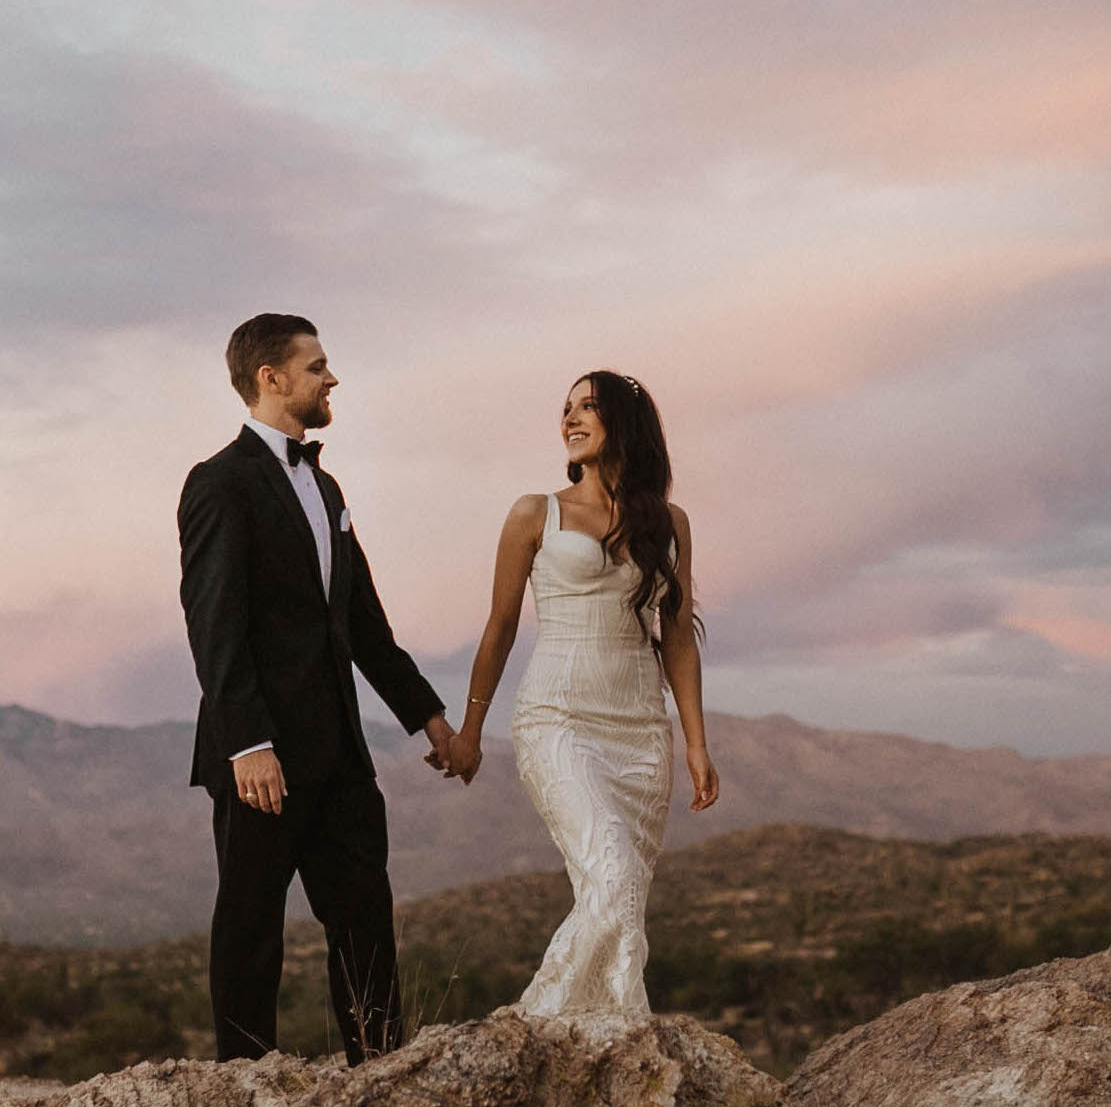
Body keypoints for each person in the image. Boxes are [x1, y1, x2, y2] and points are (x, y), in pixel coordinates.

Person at [178, 312, 456, 1065]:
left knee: (366, 921)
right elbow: (215, 625)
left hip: (341, 758)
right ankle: (241, 1083)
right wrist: (249, 743)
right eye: (317, 366)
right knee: (250, 927)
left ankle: (381, 1070)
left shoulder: (326, 491)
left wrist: (429, 716)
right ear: (271, 379)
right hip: (259, 760)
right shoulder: (219, 483)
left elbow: (363, 624)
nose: (331, 378)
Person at [444, 370, 719, 1015]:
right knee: (614, 880)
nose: (569, 418)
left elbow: (676, 637)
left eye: (586, 407)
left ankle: (607, 1034)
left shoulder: (670, 523)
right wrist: (471, 731)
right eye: (565, 409)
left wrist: (696, 746)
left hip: (641, 735)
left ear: (624, 422)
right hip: (557, 719)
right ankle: (537, 1027)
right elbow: (501, 625)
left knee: (619, 902)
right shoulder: (534, 513)